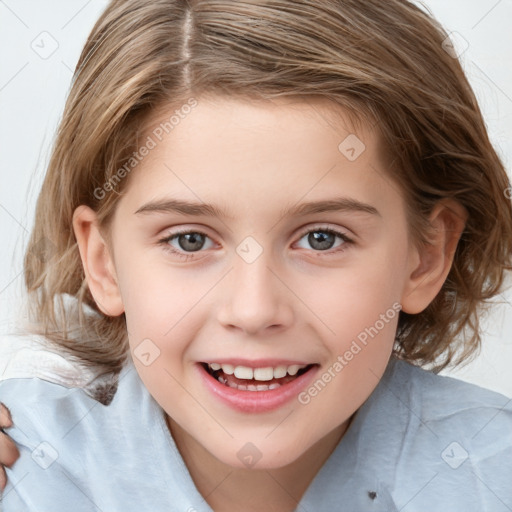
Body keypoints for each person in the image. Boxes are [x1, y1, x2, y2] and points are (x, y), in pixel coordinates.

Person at [1, 0, 511, 510]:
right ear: (103, 262)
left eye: (322, 239)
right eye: (190, 240)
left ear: (425, 254)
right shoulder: (25, 472)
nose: (254, 310)